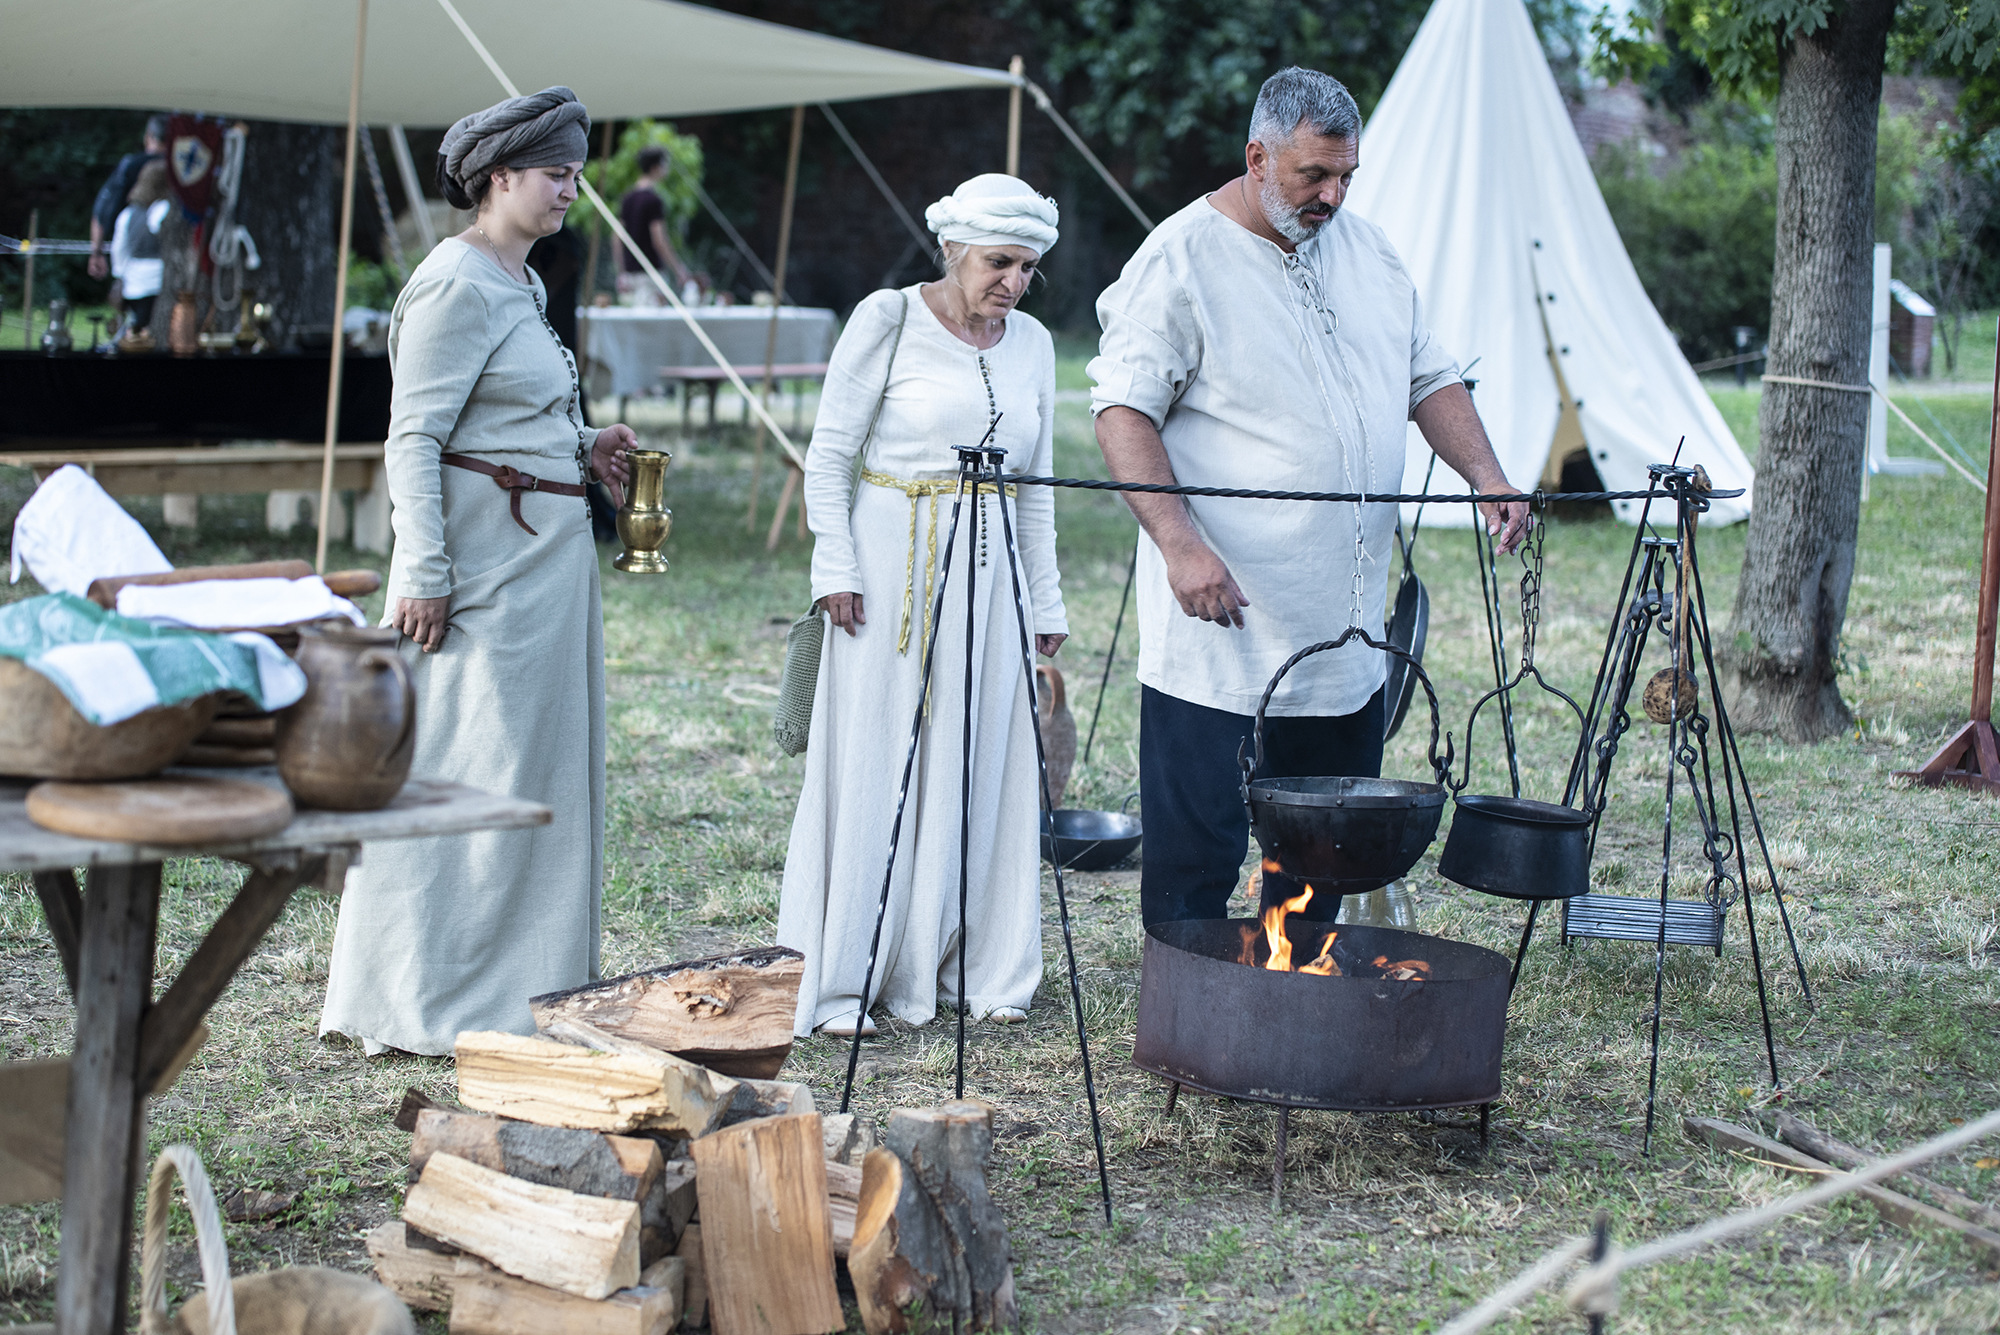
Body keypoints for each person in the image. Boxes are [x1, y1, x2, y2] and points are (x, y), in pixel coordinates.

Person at [1089, 67, 1530, 930]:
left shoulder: (1369, 251)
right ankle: (1190, 1003)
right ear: (1257, 157)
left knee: (1324, 841)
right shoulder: (1179, 259)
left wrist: (1490, 475)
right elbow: (1122, 413)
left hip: (1343, 623)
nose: (1332, 196)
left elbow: (1429, 375)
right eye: (1312, 176)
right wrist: (1181, 546)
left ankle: (1296, 995)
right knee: (1203, 845)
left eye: (1345, 177)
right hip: (1221, 622)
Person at [319, 86, 636, 1056]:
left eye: (575, 175)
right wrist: (424, 567)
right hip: (482, 565)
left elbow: (507, 419)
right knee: (465, 766)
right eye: (555, 175)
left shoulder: (523, 284)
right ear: (498, 178)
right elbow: (411, 436)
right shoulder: (453, 283)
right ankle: (422, 996)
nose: (570, 192)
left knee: (531, 771)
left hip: (545, 564)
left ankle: (521, 991)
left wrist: (583, 444)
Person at [777, 174, 1069, 1038]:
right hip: (888, 563)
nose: (1012, 281)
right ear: (952, 250)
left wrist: (1042, 594)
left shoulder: (1038, 345)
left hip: (991, 574)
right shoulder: (888, 319)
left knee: (980, 758)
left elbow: (1037, 487)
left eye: (1027, 266)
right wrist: (836, 562)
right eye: (999, 262)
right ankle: (846, 977)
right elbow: (828, 456)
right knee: (877, 759)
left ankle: (969, 963)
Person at [88, 114, 166, 281]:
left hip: (133, 262)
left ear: (148, 137)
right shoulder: (184, 167)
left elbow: (102, 210)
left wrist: (97, 253)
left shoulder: (131, 165)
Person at [615, 147, 694, 304]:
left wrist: (621, 272)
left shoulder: (627, 198)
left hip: (631, 273)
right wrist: (679, 269)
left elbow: (617, 237)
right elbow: (659, 239)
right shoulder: (653, 200)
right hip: (651, 274)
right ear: (655, 168)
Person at [109, 161, 171, 336]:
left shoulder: (127, 214)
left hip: (133, 284)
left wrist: (120, 276)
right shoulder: (162, 210)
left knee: (136, 331)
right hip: (156, 282)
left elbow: (118, 250)